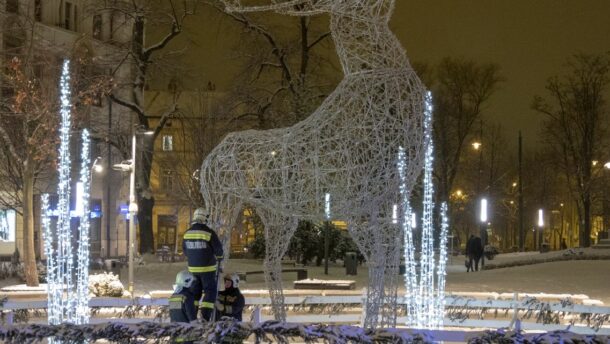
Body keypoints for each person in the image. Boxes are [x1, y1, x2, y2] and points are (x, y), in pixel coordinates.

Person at [183, 207, 224, 321]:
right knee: (210, 291)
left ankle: (193, 315)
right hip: (208, 269)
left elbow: (185, 251)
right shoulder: (209, 233)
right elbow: (218, 249)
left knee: (195, 294)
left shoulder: (187, 233)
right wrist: (220, 258)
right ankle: (205, 316)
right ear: (205, 218)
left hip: (193, 270)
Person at [169, 270, 199, 344]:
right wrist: (197, 326)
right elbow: (190, 313)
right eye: (192, 282)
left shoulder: (173, 296)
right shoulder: (188, 295)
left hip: (175, 332)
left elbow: (172, 314)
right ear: (187, 281)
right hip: (187, 334)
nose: (193, 285)